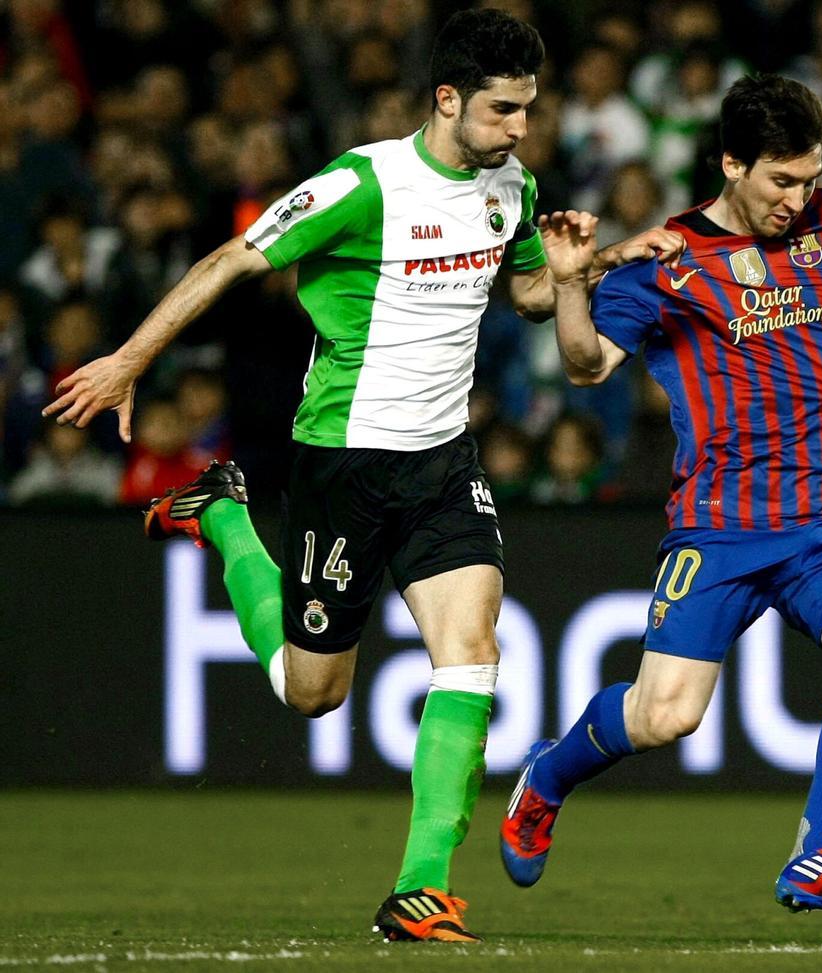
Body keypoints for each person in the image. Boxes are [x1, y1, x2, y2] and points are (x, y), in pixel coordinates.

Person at [42, 8, 681, 945]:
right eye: (503, 110)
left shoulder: (513, 186)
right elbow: (231, 260)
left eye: (528, 110)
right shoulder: (363, 182)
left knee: (473, 649)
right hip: (345, 462)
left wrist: (588, 266)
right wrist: (131, 359)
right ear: (448, 98)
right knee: (313, 691)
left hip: (443, 461)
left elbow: (530, 293)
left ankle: (419, 889)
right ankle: (225, 517)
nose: (520, 130)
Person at [500, 74, 822, 917]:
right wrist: (571, 285)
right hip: (723, 525)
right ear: (731, 164)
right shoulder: (670, 258)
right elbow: (587, 365)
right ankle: (547, 776)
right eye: (781, 180)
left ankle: (816, 854)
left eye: (810, 178)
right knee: (664, 715)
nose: (797, 198)